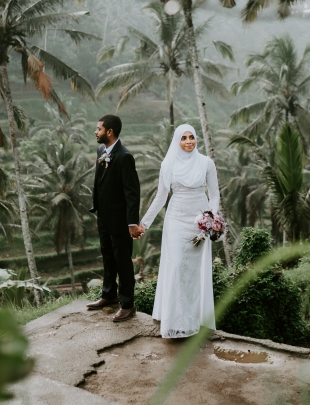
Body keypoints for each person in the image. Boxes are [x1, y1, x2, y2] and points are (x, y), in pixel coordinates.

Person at [135, 124, 220, 338]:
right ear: (177, 141)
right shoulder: (168, 164)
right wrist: (143, 223)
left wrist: (209, 220)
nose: (189, 141)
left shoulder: (206, 163)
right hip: (175, 221)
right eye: (184, 138)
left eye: (192, 137)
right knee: (176, 268)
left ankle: (193, 321)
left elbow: (215, 195)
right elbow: (161, 197)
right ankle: (175, 323)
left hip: (199, 222)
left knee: (193, 273)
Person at [86, 114, 142, 322]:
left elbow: (132, 192)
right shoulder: (102, 151)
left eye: (98, 129)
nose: (96, 132)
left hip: (120, 220)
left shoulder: (124, 156)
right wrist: (97, 208)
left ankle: (128, 304)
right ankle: (109, 295)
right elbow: (98, 182)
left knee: (122, 262)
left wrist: (131, 223)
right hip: (104, 217)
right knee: (107, 256)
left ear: (109, 132)